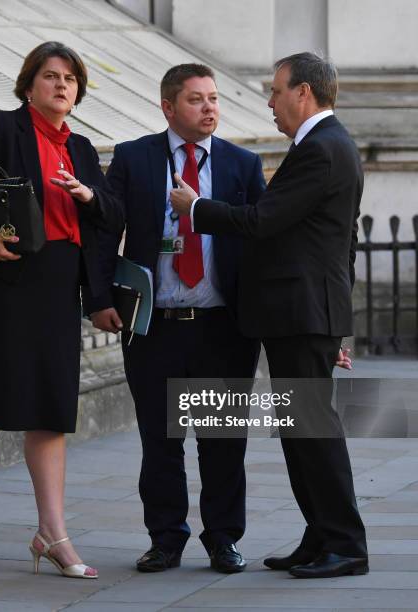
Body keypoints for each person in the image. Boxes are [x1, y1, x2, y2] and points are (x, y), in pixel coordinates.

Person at [0, 41, 123, 579]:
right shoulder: (0, 127)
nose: (62, 86)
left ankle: (53, 534)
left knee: (52, 411)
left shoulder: (82, 147)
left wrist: (88, 196)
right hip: (7, 280)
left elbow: (111, 214)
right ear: (30, 85)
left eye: (71, 79)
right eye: (52, 76)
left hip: (61, 286)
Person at [170, 52, 368, 579]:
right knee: (300, 431)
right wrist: (337, 319)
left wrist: (196, 208)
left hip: (301, 314)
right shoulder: (325, 146)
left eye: (277, 91)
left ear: (303, 93)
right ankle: (321, 535)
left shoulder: (323, 150)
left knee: (313, 433)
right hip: (303, 314)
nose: (270, 102)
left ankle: (345, 544)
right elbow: (340, 243)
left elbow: (262, 221)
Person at [84, 64, 265, 573]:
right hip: (154, 324)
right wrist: (98, 299)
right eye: (195, 99)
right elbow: (104, 231)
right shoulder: (135, 158)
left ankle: (223, 538)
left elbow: (262, 239)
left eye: (213, 99)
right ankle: (165, 538)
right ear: (168, 107)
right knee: (160, 442)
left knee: (222, 442)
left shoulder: (242, 164)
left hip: (223, 327)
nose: (209, 108)